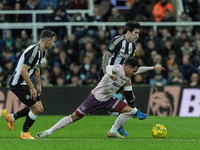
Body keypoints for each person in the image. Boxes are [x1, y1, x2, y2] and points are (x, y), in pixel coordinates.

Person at [36, 57, 145, 139]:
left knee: (128, 111)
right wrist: (110, 74)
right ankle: (49, 131)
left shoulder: (127, 76)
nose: (134, 73)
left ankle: (112, 131)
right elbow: (109, 67)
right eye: (134, 71)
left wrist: (153, 68)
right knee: (74, 117)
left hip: (108, 99)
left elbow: (134, 74)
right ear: (128, 67)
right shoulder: (119, 68)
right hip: (95, 99)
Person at [101, 21, 166, 136]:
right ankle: (134, 112)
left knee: (130, 95)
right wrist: (106, 73)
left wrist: (152, 68)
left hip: (120, 76)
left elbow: (131, 67)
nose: (137, 36)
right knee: (128, 86)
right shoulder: (117, 41)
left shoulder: (133, 46)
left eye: (138, 33)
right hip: (110, 74)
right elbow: (106, 56)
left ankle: (117, 126)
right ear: (128, 32)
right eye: (135, 33)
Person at [6, 30, 56, 139]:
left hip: (25, 82)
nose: (53, 44)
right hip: (18, 83)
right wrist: (32, 88)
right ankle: (24, 133)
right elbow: (23, 71)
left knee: (40, 108)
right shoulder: (33, 52)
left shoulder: (41, 51)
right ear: (47, 41)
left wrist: (38, 85)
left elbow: (36, 69)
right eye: (52, 42)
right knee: (36, 109)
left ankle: (12, 117)